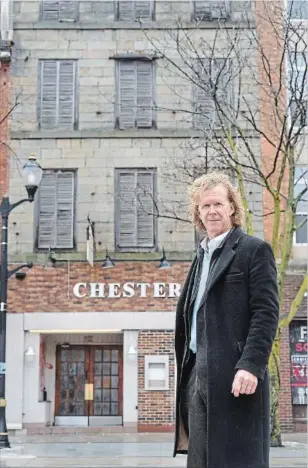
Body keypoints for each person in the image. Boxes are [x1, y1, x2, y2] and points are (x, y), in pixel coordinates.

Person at [173, 172, 279, 468]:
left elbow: (266, 312)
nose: (212, 211)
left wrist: (250, 365)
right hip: (196, 370)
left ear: (233, 206)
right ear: (198, 213)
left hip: (235, 373)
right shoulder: (200, 257)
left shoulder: (253, 250)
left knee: (235, 460)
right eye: (205, 206)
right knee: (201, 460)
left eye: (218, 203)